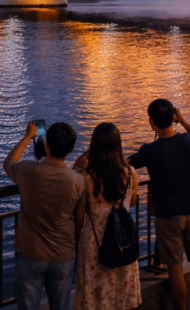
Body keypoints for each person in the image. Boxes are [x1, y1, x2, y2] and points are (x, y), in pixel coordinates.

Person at [128, 100, 190, 310]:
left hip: (168, 216)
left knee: (174, 269)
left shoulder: (149, 150)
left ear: (151, 122)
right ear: (173, 117)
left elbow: (127, 163)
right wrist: (182, 120)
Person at [4, 121, 85, 310]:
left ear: (46, 144)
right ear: (72, 149)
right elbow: (79, 223)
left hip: (31, 252)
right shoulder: (78, 181)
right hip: (62, 255)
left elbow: (8, 163)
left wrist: (27, 136)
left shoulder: (28, 170)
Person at [75, 123, 141, 310]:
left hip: (94, 243)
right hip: (122, 239)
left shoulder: (86, 176)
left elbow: (76, 166)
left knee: (94, 298)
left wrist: (90, 151)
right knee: (120, 297)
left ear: (94, 145)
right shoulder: (130, 173)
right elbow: (133, 202)